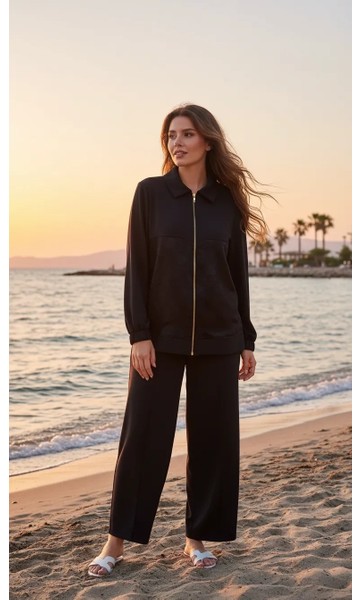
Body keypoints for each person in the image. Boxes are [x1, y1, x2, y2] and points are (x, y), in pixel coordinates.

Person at [88, 103, 271, 577]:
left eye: (187, 134)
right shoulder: (151, 194)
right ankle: (115, 543)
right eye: (171, 135)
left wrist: (246, 338)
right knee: (142, 438)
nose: (178, 142)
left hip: (219, 338)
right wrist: (139, 334)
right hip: (160, 341)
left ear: (207, 141)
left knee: (213, 441)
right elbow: (137, 268)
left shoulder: (225, 202)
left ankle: (196, 539)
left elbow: (237, 274)